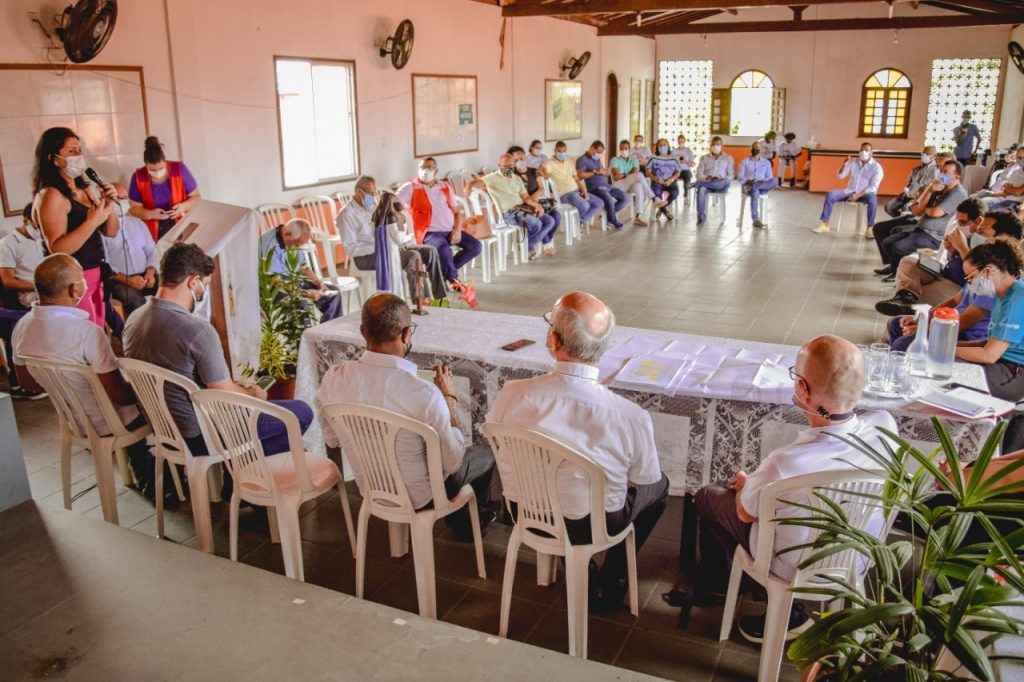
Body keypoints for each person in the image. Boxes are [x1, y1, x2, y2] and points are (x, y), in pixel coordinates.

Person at [688, 335, 896, 642]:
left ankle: (740, 586)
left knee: (709, 496)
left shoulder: (783, 463)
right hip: (856, 555)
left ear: (802, 389)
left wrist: (747, 485)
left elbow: (745, 514)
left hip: (792, 567)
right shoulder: (886, 427)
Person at [488, 291, 669, 611]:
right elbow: (644, 477)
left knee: (551, 480)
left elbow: (499, 442)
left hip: (528, 512)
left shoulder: (512, 395)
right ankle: (613, 578)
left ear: (552, 341)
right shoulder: (629, 415)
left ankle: (577, 564)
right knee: (660, 485)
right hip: (595, 524)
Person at [315, 293, 495, 539]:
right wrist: (450, 402)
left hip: (371, 487)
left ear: (362, 331)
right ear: (406, 334)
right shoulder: (425, 393)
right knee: (484, 452)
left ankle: (463, 518)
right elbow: (452, 462)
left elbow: (332, 440)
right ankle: (468, 525)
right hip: (421, 496)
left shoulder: (334, 378)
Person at [124, 243, 314, 458]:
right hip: (200, 433)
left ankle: (243, 474)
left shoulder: (134, 319)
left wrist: (232, 386)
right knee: (300, 412)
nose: (202, 292)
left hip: (162, 427)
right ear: (192, 281)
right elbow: (222, 392)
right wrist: (254, 393)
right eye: (203, 285)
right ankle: (256, 480)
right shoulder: (196, 330)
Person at [13, 254, 154, 491]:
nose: (85, 283)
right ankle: (156, 474)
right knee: (161, 402)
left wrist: (68, 388)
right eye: (82, 279)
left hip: (73, 420)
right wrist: (145, 387)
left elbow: (27, 381)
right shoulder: (87, 332)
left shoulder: (23, 327)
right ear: (73, 289)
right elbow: (121, 397)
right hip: (109, 421)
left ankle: (144, 467)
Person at [32, 126, 119, 327]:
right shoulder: (52, 195)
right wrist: (92, 221)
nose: (78, 156)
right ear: (53, 158)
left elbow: (111, 231)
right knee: (82, 334)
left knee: (97, 334)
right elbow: (57, 248)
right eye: (71, 151)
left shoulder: (84, 188)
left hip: (95, 272)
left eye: (79, 150)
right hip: (70, 280)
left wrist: (108, 205)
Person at [875, 205, 1022, 315]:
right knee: (908, 262)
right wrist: (952, 251)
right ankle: (905, 297)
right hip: (945, 274)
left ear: (1002, 235)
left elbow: (978, 277)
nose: (977, 232)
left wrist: (963, 248)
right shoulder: (982, 243)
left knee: (919, 291)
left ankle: (907, 309)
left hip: (960, 289)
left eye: (982, 231)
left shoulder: (1004, 255)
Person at [339, 175, 445, 301]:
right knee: (412, 256)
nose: (373, 197)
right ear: (358, 191)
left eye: (375, 193)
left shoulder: (373, 207)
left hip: (390, 246)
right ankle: (421, 301)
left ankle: (440, 298)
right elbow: (351, 249)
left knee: (430, 251)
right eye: (371, 193)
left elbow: (391, 229)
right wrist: (383, 245)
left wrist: (396, 221)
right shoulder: (346, 214)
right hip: (365, 258)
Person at [396, 157, 480, 298]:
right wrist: (402, 217)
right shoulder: (410, 187)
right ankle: (455, 280)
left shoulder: (444, 186)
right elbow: (392, 203)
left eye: (429, 167)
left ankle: (440, 271)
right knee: (443, 249)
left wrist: (457, 229)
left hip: (450, 229)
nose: (425, 170)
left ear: (436, 171)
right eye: (422, 167)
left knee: (475, 246)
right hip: (428, 233)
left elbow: (457, 212)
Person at [874, 159, 968, 282]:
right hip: (922, 229)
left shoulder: (958, 193)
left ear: (956, 176)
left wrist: (924, 209)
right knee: (887, 242)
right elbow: (917, 210)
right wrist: (929, 190)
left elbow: (935, 212)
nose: (941, 174)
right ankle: (893, 266)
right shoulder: (938, 189)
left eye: (946, 172)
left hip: (934, 236)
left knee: (899, 247)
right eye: (941, 171)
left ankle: (897, 274)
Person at [955, 239, 1024, 401]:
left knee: (941, 367)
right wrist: (948, 345)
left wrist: (943, 350)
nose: (970, 284)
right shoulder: (1000, 296)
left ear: (987, 272)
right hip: (1000, 364)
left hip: (1012, 374)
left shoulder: (1016, 300)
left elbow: (988, 355)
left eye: (971, 278)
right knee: (933, 360)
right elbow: (988, 343)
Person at [886, 251, 994, 352]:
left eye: (971, 276)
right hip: (949, 323)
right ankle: (895, 359)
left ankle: (899, 363)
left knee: (904, 344)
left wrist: (924, 329)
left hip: (965, 335)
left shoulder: (989, 292)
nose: (968, 280)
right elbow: (954, 300)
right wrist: (922, 319)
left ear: (986, 272)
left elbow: (964, 322)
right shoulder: (974, 282)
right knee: (896, 324)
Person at [0, 204, 45, 398]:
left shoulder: (44, 239)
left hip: (49, 290)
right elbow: (8, 282)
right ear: (26, 221)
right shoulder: (8, 244)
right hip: (27, 295)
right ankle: (22, 382)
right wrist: (40, 286)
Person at [258, 218, 343, 322]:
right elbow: (278, 282)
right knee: (301, 303)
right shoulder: (267, 245)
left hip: (292, 280)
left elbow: (304, 268)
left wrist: (319, 283)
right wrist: (304, 293)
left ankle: (328, 332)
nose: (299, 247)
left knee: (333, 293)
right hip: (272, 287)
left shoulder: (292, 238)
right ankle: (304, 337)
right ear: (287, 234)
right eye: (298, 244)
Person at [102, 183, 158, 325]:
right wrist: (127, 280)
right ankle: (139, 336)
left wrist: (150, 272)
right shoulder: (102, 229)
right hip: (118, 280)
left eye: (124, 198)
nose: (121, 202)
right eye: (117, 198)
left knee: (168, 290)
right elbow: (105, 263)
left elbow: (152, 251)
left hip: (145, 275)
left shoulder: (138, 223)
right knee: (134, 300)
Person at [480, 154, 557, 257]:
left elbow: (526, 198)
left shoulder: (517, 178)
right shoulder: (493, 177)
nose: (508, 168)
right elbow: (476, 183)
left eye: (511, 165)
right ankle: (528, 247)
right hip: (509, 213)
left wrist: (537, 206)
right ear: (499, 165)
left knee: (550, 221)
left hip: (522, 209)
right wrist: (468, 187)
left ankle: (527, 246)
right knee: (537, 224)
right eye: (505, 166)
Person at [128, 136, 201, 240]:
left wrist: (182, 207)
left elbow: (196, 197)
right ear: (146, 165)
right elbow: (133, 209)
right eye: (153, 170)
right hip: (153, 230)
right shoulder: (139, 177)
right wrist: (150, 214)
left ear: (165, 161)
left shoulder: (179, 170)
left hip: (181, 223)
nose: (157, 172)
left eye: (161, 169)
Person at [814, 142, 883, 237]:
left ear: (871, 153)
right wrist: (844, 164)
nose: (863, 152)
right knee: (831, 194)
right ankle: (825, 224)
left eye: (866, 150)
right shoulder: (854, 162)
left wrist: (857, 195)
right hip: (849, 191)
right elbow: (840, 176)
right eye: (862, 150)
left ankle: (870, 228)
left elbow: (873, 186)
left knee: (873, 199)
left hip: (865, 194)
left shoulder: (876, 167)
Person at [510, 145, 562, 246]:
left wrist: (534, 196)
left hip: (537, 201)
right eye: (516, 160)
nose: (519, 161)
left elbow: (541, 188)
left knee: (557, 216)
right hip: (525, 206)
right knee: (546, 220)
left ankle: (542, 240)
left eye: (521, 158)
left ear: (525, 157)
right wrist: (530, 200)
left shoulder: (533, 171)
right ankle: (543, 243)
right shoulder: (513, 175)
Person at [542, 141, 604, 225]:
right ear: (555, 150)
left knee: (599, 203)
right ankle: (577, 225)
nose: (562, 153)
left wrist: (584, 191)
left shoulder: (569, 162)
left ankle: (578, 223)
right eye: (559, 151)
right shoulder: (549, 163)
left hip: (576, 192)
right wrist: (549, 189)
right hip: (564, 194)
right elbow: (542, 171)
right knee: (585, 206)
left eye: (564, 151)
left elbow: (577, 179)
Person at [576, 141, 629, 229]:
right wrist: (594, 172)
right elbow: (579, 175)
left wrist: (604, 172)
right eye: (598, 152)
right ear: (592, 149)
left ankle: (608, 217)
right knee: (608, 199)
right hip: (594, 188)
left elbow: (605, 172)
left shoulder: (597, 159)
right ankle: (613, 219)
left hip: (607, 186)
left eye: (601, 153)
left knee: (625, 198)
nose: (599, 155)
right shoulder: (582, 159)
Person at [610, 139, 654, 227]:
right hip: (619, 186)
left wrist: (624, 175)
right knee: (640, 175)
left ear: (629, 149)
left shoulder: (634, 160)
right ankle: (653, 197)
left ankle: (638, 216)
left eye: (626, 148)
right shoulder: (615, 159)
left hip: (629, 185)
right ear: (619, 149)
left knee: (638, 186)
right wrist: (627, 175)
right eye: (621, 148)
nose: (623, 150)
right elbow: (616, 175)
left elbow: (635, 171)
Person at [884, 146, 938, 218]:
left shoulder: (935, 171)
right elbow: (909, 184)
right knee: (889, 207)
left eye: (927, 154)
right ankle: (901, 220)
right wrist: (904, 193)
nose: (924, 155)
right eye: (924, 153)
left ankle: (904, 220)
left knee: (906, 208)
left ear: (934, 156)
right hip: (907, 195)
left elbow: (929, 188)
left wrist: (915, 196)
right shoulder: (916, 169)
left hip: (919, 198)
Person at [695, 136, 735, 226]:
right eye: (713, 144)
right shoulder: (704, 158)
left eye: (718, 144)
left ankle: (698, 184)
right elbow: (699, 174)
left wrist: (723, 178)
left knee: (724, 182)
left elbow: (731, 175)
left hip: (721, 184)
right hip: (707, 182)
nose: (716, 146)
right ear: (710, 146)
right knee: (701, 190)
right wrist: (706, 177)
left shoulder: (728, 158)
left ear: (722, 146)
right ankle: (701, 217)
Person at [737, 142, 776, 229]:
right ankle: (755, 220)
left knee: (775, 180)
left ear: (761, 150)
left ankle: (756, 186)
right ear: (751, 149)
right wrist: (748, 181)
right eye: (753, 147)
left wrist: (762, 181)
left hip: (762, 185)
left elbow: (769, 177)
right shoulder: (744, 161)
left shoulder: (766, 162)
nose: (755, 149)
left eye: (757, 147)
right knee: (755, 190)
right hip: (748, 186)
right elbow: (740, 177)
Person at [646, 139, 682, 222]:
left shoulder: (674, 158)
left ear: (668, 146)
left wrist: (671, 180)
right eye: (660, 145)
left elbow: (678, 172)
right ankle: (666, 212)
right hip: (658, 181)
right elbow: (648, 171)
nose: (663, 147)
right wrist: (655, 178)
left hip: (670, 181)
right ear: (657, 147)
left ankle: (661, 209)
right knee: (656, 194)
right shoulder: (653, 157)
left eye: (664, 145)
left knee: (674, 193)